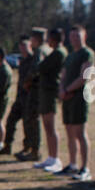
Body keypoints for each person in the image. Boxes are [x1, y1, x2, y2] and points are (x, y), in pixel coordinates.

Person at [58, 24, 95, 181]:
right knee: (69, 132)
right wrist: (61, 89)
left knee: (80, 133)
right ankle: (72, 164)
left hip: (79, 97)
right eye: (72, 36)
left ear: (84, 36)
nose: (75, 39)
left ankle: (84, 168)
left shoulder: (87, 53)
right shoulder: (70, 55)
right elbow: (64, 75)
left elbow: (84, 76)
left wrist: (68, 90)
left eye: (77, 36)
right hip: (67, 98)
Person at [34, 28, 66, 172]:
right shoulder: (55, 52)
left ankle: (55, 158)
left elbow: (41, 67)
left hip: (51, 91)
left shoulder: (59, 53)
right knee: (47, 126)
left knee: (51, 126)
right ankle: (51, 157)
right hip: (46, 91)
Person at [17, 29, 47, 161]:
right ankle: (31, 148)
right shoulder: (45, 50)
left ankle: (35, 151)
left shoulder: (40, 51)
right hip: (39, 90)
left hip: (35, 90)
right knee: (31, 119)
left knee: (32, 120)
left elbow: (36, 69)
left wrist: (27, 82)